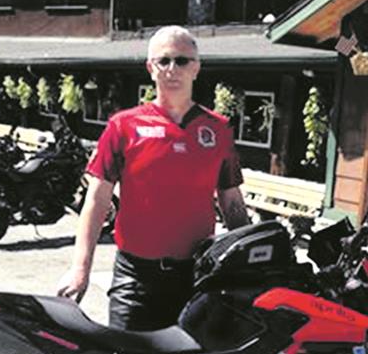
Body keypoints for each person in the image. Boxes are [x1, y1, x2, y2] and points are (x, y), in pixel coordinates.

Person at [57, 25, 250, 330]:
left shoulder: (218, 129)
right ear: (150, 68)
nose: (173, 69)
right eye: (164, 61)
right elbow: (95, 201)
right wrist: (80, 270)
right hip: (136, 279)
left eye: (182, 61)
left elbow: (232, 202)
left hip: (197, 279)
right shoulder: (123, 127)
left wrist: (253, 261)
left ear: (196, 68)